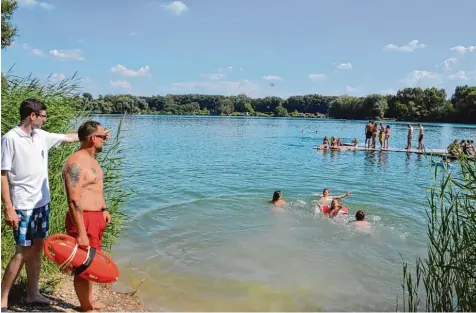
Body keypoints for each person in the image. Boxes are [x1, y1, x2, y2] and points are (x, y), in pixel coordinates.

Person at [1, 98, 80, 311]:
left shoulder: (41, 136)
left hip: (42, 203)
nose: (45, 120)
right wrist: (8, 207)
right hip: (23, 205)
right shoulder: (10, 138)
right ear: (32, 116)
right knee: (22, 252)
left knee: (37, 249)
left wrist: (95, 135)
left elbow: (71, 138)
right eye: (43, 116)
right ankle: (3, 299)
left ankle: (32, 294)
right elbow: (2, 175)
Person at [62, 121, 112, 312]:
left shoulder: (92, 159)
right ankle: (85, 307)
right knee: (84, 264)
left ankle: (88, 300)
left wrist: (104, 208)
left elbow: (96, 188)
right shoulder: (76, 163)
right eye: (102, 137)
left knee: (92, 261)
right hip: (84, 220)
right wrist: (81, 232)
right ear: (93, 138)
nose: (105, 140)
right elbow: (73, 200)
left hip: (97, 218)